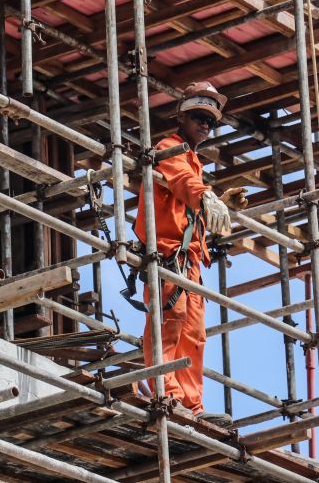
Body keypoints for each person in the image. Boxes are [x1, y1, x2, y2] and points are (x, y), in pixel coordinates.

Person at [134, 81, 248, 426]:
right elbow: (184, 182)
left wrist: (217, 202)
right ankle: (165, 393)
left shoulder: (193, 160)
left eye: (210, 122)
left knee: (194, 335)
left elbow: (186, 194)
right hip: (169, 257)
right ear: (182, 118)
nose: (205, 125)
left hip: (190, 263)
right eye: (199, 117)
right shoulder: (169, 149)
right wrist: (207, 197)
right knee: (169, 325)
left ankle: (191, 405)